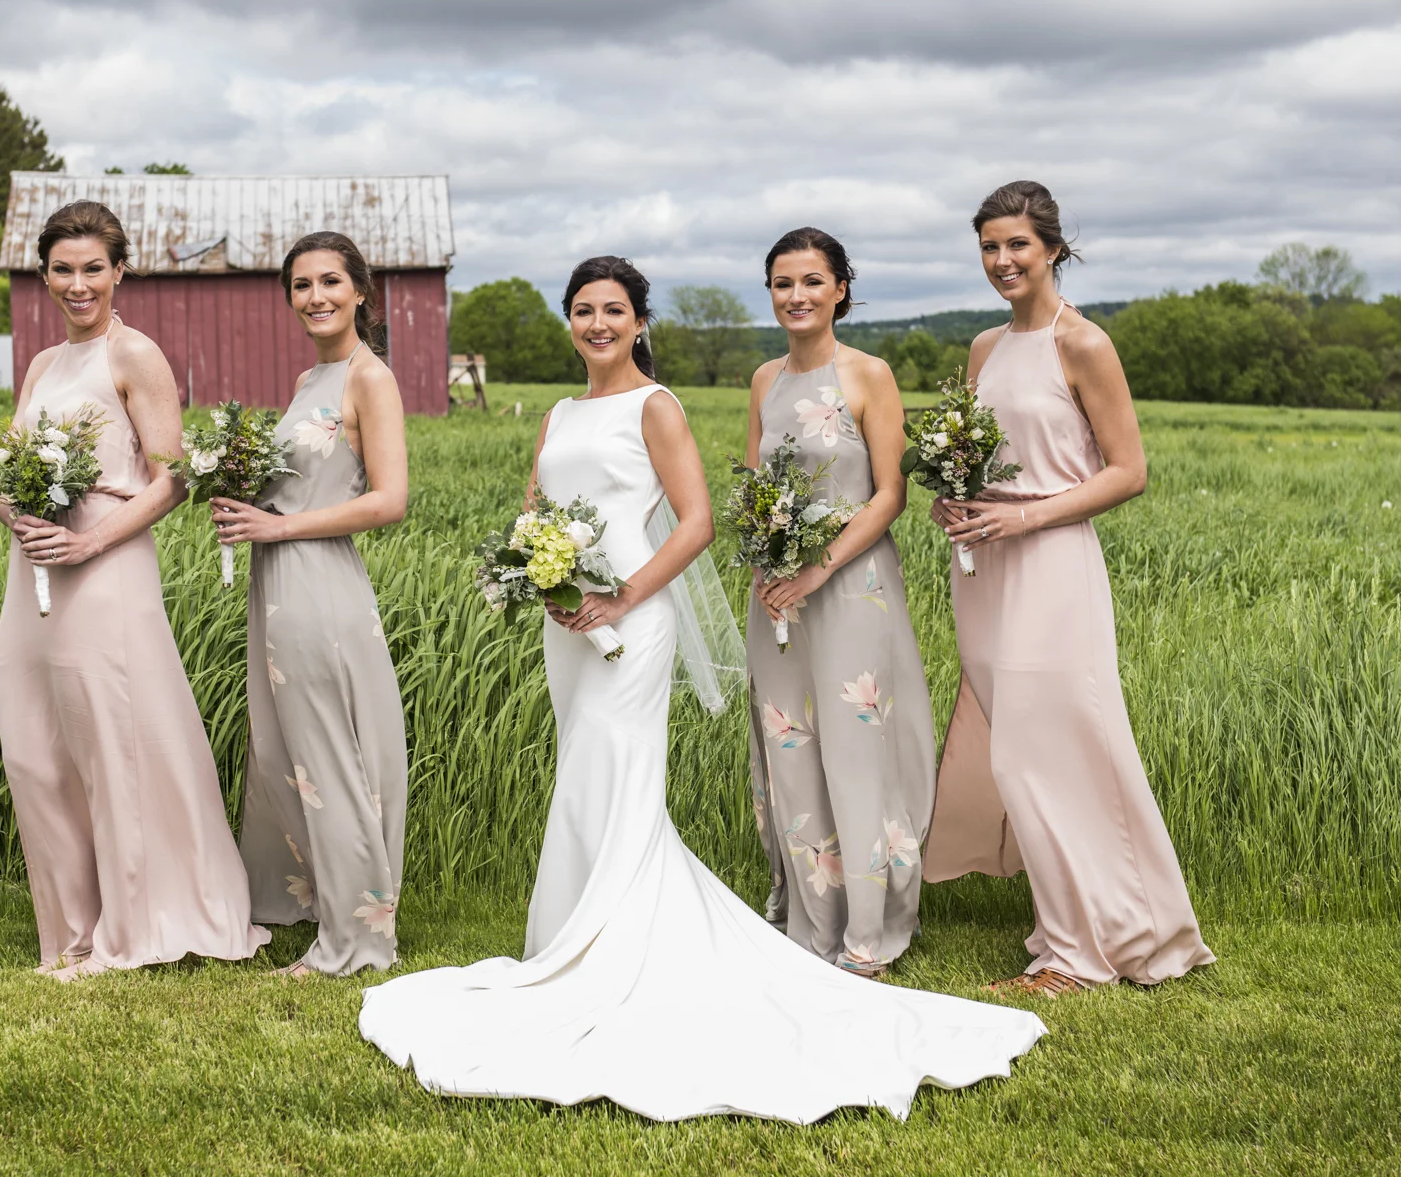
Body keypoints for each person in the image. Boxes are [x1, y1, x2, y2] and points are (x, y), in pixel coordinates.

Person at [359, 257, 1045, 1124]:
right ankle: (567, 939)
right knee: (581, 767)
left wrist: (623, 594)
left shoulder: (657, 405)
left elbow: (697, 522)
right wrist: (540, 569)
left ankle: (631, 941)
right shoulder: (563, 412)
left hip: (631, 619)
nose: (597, 322)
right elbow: (540, 503)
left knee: (619, 766)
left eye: (614, 309)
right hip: (569, 619)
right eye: (582, 309)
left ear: (640, 319)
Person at [923, 180, 1214, 995]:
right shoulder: (984, 349)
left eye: (1017, 243)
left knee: (1048, 749)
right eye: (988, 246)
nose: (1002, 260)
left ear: (1052, 246)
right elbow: (984, 454)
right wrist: (956, 494)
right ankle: (1111, 927)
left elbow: (1129, 472)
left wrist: (1027, 518)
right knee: (1014, 751)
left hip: (1050, 564)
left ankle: (1078, 953)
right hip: (981, 568)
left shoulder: (1082, 343)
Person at [0, 200, 265, 981]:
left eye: (92, 268)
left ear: (119, 271)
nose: (78, 284)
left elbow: (171, 476)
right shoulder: (43, 366)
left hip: (105, 565)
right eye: (62, 269)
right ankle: (71, 930)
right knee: (34, 747)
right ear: (44, 274)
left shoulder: (135, 355)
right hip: (34, 567)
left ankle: (135, 922)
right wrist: (16, 512)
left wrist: (88, 540)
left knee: (114, 739)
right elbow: (4, 469)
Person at [213, 232, 410, 977]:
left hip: (321, 580)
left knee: (330, 751)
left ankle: (356, 936)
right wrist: (241, 498)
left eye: (331, 281)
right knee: (286, 749)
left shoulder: (370, 377)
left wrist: (280, 524)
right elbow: (301, 482)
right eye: (301, 285)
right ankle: (309, 902)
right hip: (278, 581)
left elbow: (390, 500)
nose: (316, 296)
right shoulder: (311, 376)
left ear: (361, 289)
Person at [742, 227, 935, 974]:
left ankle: (869, 927)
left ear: (841, 289)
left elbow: (891, 494)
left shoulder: (869, 374)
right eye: (783, 283)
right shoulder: (763, 379)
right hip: (776, 596)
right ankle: (810, 914)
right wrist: (766, 561)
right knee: (790, 743)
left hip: (851, 584)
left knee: (856, 747)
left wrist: (819, 567)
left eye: (813, 281)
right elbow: (757, 489)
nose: (797, 296)